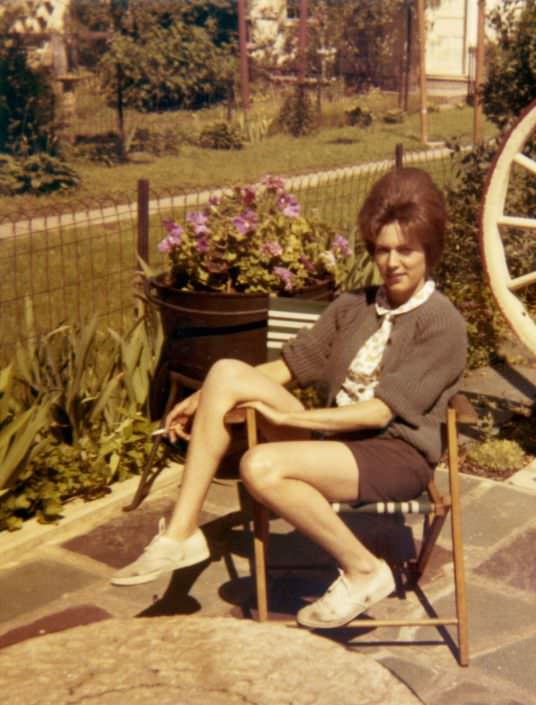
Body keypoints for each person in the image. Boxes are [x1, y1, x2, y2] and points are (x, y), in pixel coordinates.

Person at [111, 167, 467, 629]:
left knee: (259, 466)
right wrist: (205, 397)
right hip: (334, 441)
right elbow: (287, 367)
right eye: (383, 249)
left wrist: (285, 417)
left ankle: (363, 570)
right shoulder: (352, 307)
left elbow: (381, 411)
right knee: (224, 371)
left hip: (394, 453)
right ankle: (181, 535)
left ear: (429, 251)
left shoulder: (442, 323)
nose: (393, 262)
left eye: (407, 250)